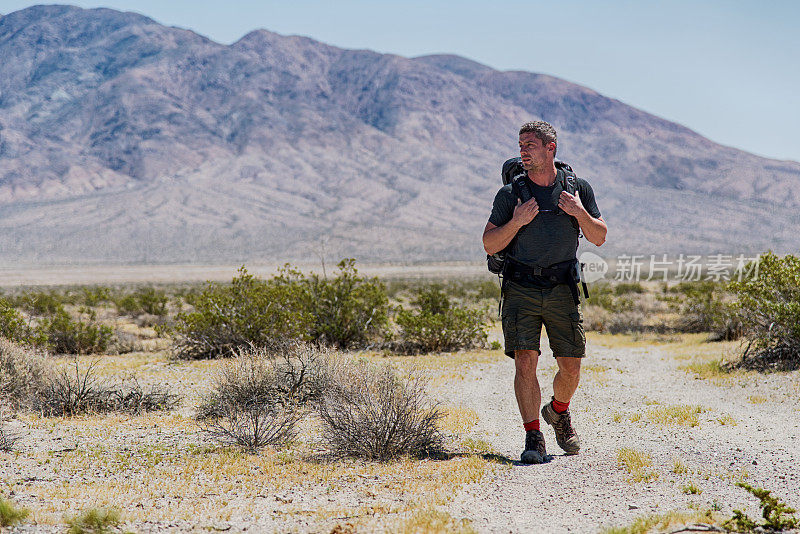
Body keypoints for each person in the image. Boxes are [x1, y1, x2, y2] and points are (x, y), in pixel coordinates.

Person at [482, 121, 607, 464]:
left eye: (530, 145)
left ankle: (558, 411)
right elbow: (489, 242)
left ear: (550, 148)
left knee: (571, 367)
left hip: (562, 288)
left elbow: (599, 237)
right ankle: (533, 434)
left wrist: (579, 211)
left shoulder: (576, 188)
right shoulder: (511, 195)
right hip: (521, 287)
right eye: (520, 145)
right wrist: (517, 221)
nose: (523, 150)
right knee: (526, 361)